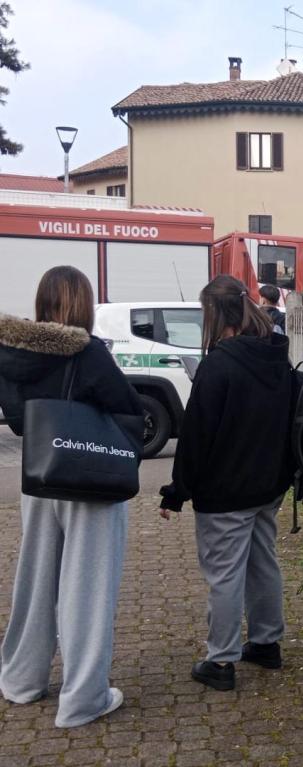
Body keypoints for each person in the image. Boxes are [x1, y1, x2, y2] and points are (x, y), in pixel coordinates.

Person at [0, 266, 142, 727]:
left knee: (35, 583)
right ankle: (83, 699)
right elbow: (127, 410)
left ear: (42, 302)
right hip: (90, 483)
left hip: (39, 480)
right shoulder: (89, 352)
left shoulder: (10, 352)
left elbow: (20, 421)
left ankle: (21, 681)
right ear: (83, 304)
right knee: (87, 588)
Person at [159, 275, 294, 692]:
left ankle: (220, 661)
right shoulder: (276, 358)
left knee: (225, 574)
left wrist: (177, 491)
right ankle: (266, 644)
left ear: (215, 315)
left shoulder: (218, 364)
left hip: (225, 490)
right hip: (268, 485)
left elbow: (196, 436)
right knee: (262, 562)